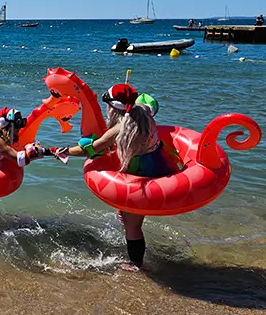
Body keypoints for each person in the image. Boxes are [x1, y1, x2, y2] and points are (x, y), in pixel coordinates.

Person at [52, 84, 181, 270]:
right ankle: (128, 218)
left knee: (133, 226)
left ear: (113, 107)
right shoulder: (144, 113)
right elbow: (150, 102)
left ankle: (136, 264)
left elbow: (91, 149)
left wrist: (64, 151)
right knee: (131, 218)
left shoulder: (121, 127)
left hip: (140, 172)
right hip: (158, 163)